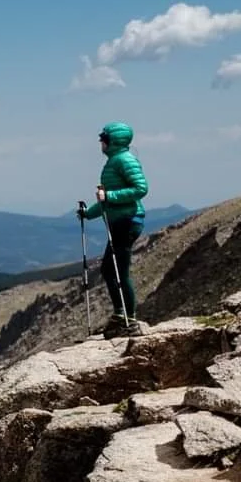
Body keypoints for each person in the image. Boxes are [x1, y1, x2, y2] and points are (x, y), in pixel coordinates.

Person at [80, 121, 149, 336]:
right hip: (122, 220)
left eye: (103, 138)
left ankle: (128, 320)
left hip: (127, 221)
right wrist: (88, 213)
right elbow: (107, 200)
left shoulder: (124, 160)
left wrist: (109, 196)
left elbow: (141, 189)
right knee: (111, 269)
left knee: (117, 270)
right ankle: (122, 316)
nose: (100, 142)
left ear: (112, 141)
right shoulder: (116, 161)